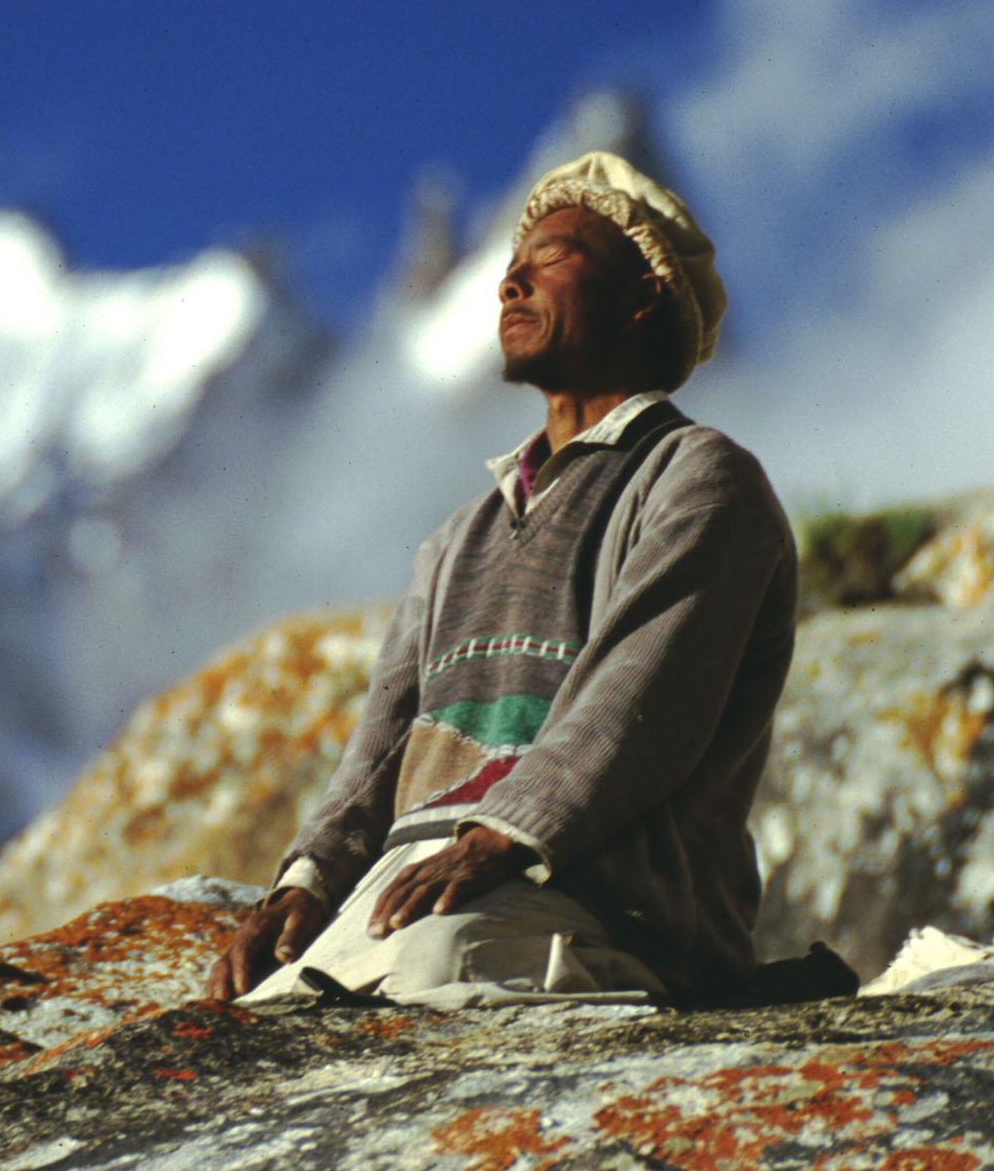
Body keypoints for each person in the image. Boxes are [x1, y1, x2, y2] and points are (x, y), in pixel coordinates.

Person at [206, 151, 799, 1008]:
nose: (510, 283)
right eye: (511, 266)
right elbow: (380, 750)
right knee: (257, 1008)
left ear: (642, 296)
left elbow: (641, 700)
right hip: (422, 887)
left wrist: (506, 835)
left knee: (434, 972)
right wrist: (306, 882)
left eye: (552, 257)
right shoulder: (458, 538)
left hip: (611, 905)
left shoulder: (697, 477)